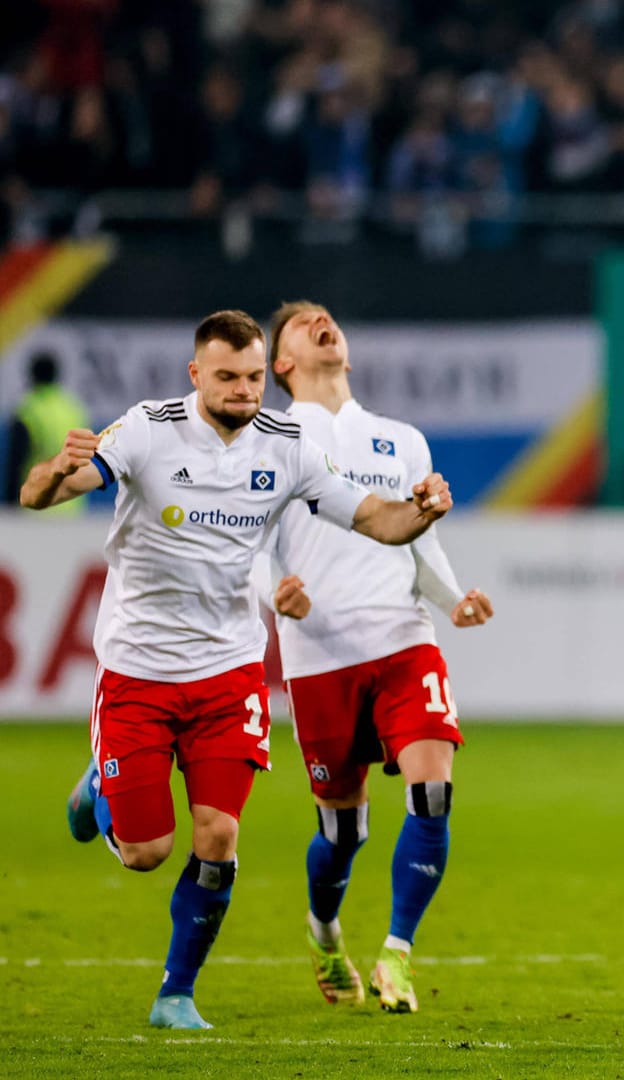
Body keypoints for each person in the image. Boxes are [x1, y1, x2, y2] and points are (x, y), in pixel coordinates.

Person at [23, 310, 453, 1030]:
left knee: (218, 840)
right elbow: (46, 494)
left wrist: (421, 511)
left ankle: (176, 994)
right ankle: (103, 782)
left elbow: (376, 518)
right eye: (227, 377)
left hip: (229, 673)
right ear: (197, 375)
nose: (243, 390)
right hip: (139, 668)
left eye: (253, 377)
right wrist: (54, 474)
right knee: (145, 851)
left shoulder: (286, 446)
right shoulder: (148, 430)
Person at [261, 301, 495, 1013]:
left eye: (327, 316)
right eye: (302, 322)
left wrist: (452, 598)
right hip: (320, 653)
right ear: (282, 362)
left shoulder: (402, 440)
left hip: (402, 638)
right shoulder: (268, 440)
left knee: (432, 790)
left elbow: (419, 541)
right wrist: (278, 593)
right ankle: (324, 928)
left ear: (348, 352)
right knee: (343, 828)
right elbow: (248, 542)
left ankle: (398, 952)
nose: (320, 321)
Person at [6, 353, 89, 516]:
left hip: (35, 509)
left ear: (32, 376)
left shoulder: (28, 410)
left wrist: (10, 507)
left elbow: (16, 462)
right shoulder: (74, 409)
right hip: (72, 509)